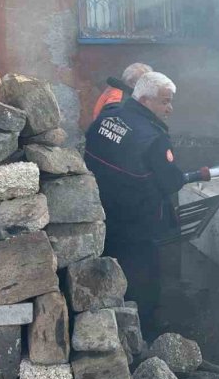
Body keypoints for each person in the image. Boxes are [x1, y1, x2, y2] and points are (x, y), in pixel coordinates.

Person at [83, 71, 210, 333]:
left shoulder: (107, 118)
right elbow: (171, 182)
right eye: (165, 102)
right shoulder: (154, 137)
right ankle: (145, 333)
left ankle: (108, 323)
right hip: (138, 224)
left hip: (102, 213)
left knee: (110, 271)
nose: (170, 109)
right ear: (144, 100)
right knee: (144, 280)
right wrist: (182, 176)